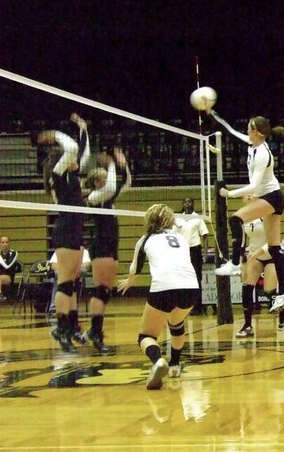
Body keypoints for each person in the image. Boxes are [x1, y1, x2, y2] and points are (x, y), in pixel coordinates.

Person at [207, 108, 284, 314]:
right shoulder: (251, 144)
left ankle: (235, 262)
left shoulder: (262, 153)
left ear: (258, 132)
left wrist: (230, 194)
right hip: (270, 197)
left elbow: (254, 186)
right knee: (274, 248)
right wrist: (213, 114)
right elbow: (230, 130)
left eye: (249, 128)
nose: (246, 130)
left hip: (272, 196)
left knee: (235, 219)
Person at [118, 204, 199, 390]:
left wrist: (130, 281)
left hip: (164, 287)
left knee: (146, 336)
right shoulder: (180, 238)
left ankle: (157, 361)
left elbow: (135, 269)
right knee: (176, 325)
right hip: (191, 287)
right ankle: (175, 366)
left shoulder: (145, 240)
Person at [37, 113, 90, 353]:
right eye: (72, 158)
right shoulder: (59, 175)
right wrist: (55, 135)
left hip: (76, 229)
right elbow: (72, 148)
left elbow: (83, 153)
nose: (77, 159)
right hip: (66, 229)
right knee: (65, 282)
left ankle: (73, 326)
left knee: (73, 283)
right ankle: (61, 328)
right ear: (64, 160)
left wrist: (83, 128)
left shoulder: (72, 175)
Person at [82, 147, 132, 353]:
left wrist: (123, 165)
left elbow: (126, 183)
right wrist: (111, 164)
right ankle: (96, 332)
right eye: (102, 178)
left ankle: (94, 331)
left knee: (106, 291)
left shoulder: (107, 198)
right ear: (96, 182)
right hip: (101, 245)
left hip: (111, 246)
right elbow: (112, 185)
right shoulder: (95, 197)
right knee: (101, 289)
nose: (107, 181)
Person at [237, 212, 284, 338]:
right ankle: (247, 325)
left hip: (271, 255)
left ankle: (283, 311)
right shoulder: (244, 217)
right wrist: (240, 263)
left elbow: (274, 240)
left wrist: (254, 254)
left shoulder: (268, 213)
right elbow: (242, 242)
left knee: (269, 291)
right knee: (247, 287)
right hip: (255, 256)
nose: (248, 196)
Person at [173, 198, 209, 314]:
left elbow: (204, 235)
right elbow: (173, 235)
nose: (187, 204)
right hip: (181, 251)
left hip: (195, 250)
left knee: (196, 278)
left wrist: (205, 252)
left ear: (193, 204)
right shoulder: (178, 218)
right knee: (181, 278)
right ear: (182, 204)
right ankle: (183, 305)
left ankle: (197, 307)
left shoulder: (197, 218)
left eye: (189, 202)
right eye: (185, 202)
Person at [0, 236, 21, 303]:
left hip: (8, 276)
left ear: (9, 243)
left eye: (7, 242)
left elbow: (7, 266)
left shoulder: (13, 253)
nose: (5, 244)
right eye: (2, 242)